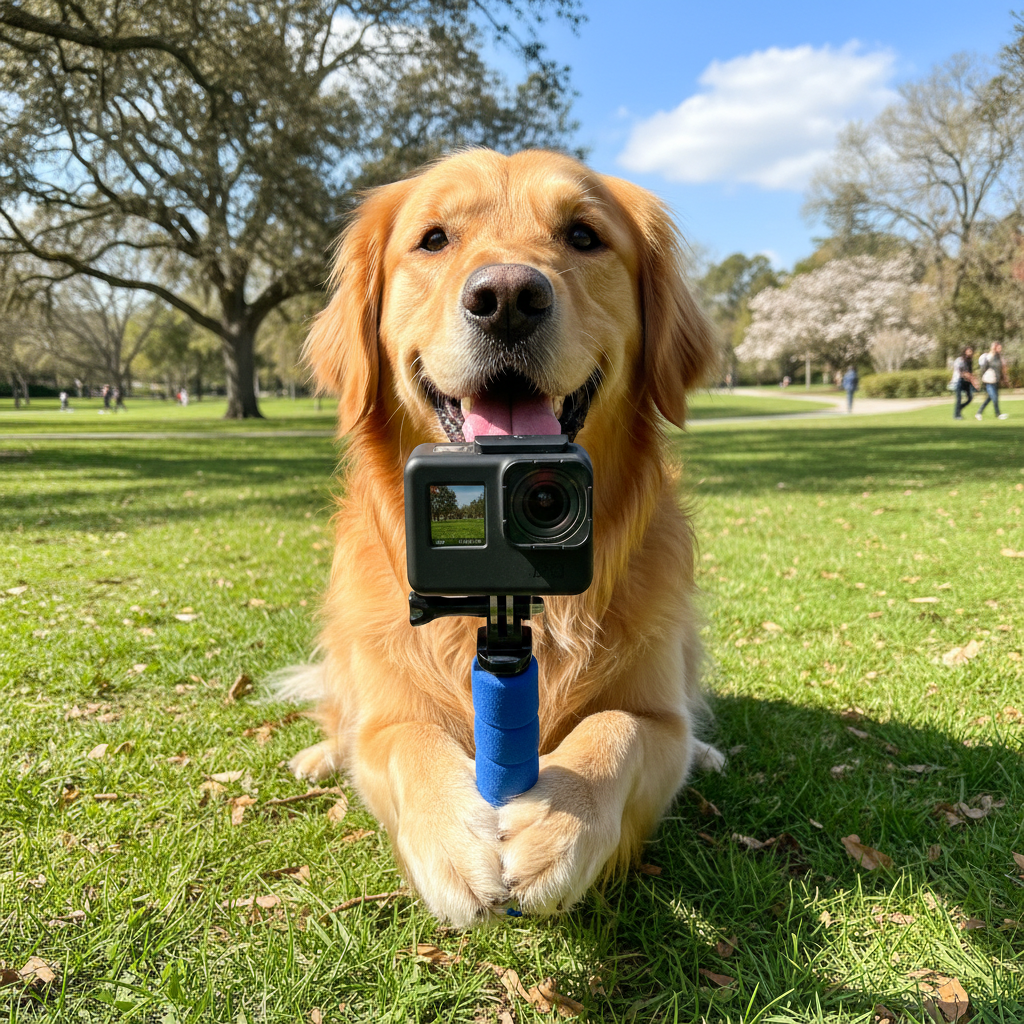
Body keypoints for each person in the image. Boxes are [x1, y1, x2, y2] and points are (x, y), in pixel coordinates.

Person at [975, 341, 1009, 420]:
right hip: (988, 380)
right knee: (994, 398)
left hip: (995, 380)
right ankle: (998, 414)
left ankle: (978, 413)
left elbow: (1003, 368)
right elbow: (983, 367)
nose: (1000, 349)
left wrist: (1005, 378)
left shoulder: (999, 357)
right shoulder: (989, 356)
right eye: (999, 348)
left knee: (990, 398)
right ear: (995, 348)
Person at [951, 346, 977, 420]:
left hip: (967, 382)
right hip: (959, 381)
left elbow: (970, 372)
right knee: (959, 398)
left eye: (971, 351)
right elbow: (963, 373)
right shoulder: (960, 360)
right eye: (969, 351)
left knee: (970, 398)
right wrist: (973, 381)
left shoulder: (970, 361)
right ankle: (957, 415)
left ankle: (959, 408)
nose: (970, 353)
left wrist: (973, 380)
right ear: (965, 352)